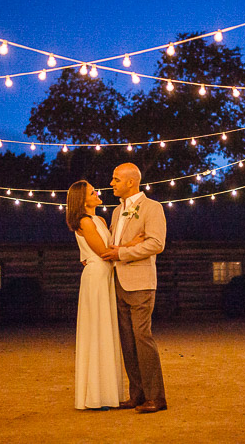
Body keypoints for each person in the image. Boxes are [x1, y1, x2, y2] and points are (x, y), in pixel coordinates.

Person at [66, 180, 145, 411]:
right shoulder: (83, 222)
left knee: (108, 329)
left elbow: (111, 245)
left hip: (107, 276)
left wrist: (123, 245)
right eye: (92, 192)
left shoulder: (100, 220)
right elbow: (103, 252)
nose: (97, 193)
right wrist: (134, 243)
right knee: (97, 329)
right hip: (97, 277)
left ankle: (107, 392)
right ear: (82, 200)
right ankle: (95, 395)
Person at [100, 163, 167, 413]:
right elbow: (112, 244)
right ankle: (137, 395)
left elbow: (156, 244)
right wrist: (123, 247)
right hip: (118, 282)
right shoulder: (117, 212)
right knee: (127, 341)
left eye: (116, 179)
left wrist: (123, 252)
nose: (111, 183)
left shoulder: (152, 208)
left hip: (140, 283)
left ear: (131, 182)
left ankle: (157, 398)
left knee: (142, 338)